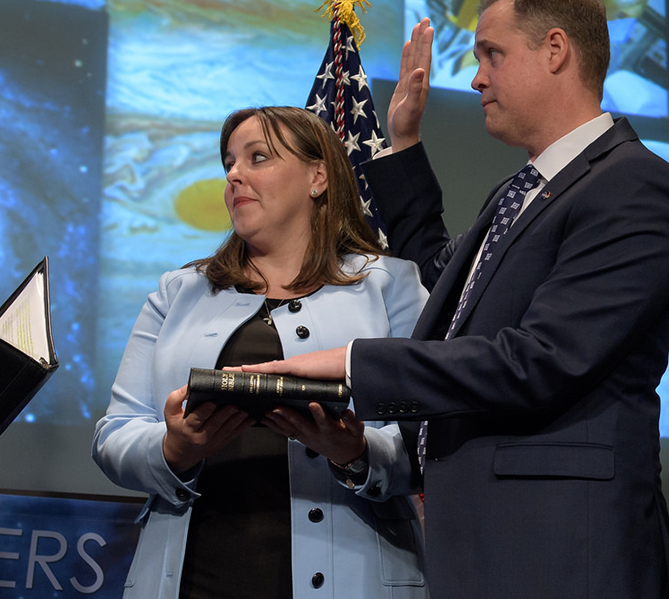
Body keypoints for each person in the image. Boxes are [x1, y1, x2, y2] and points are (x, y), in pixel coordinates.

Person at [243, 0, 669, 598]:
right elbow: (444, 280)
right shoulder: (523, 190)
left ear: (556, 49)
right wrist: (404, 143)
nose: (476, 77)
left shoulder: (634, 185)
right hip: (485, 546)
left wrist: (349, 364)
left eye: (491, 54)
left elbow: (543, 359)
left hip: (562, 551)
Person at [92, 106, 430, 598]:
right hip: (197, 577)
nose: (234, 174)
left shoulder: (389, 286)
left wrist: (355, 451)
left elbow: (432, 439)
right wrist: (173, 449)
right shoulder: (178, 292)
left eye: (258, 157)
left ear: (318, 177)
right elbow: (114, 435)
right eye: (229, 162)